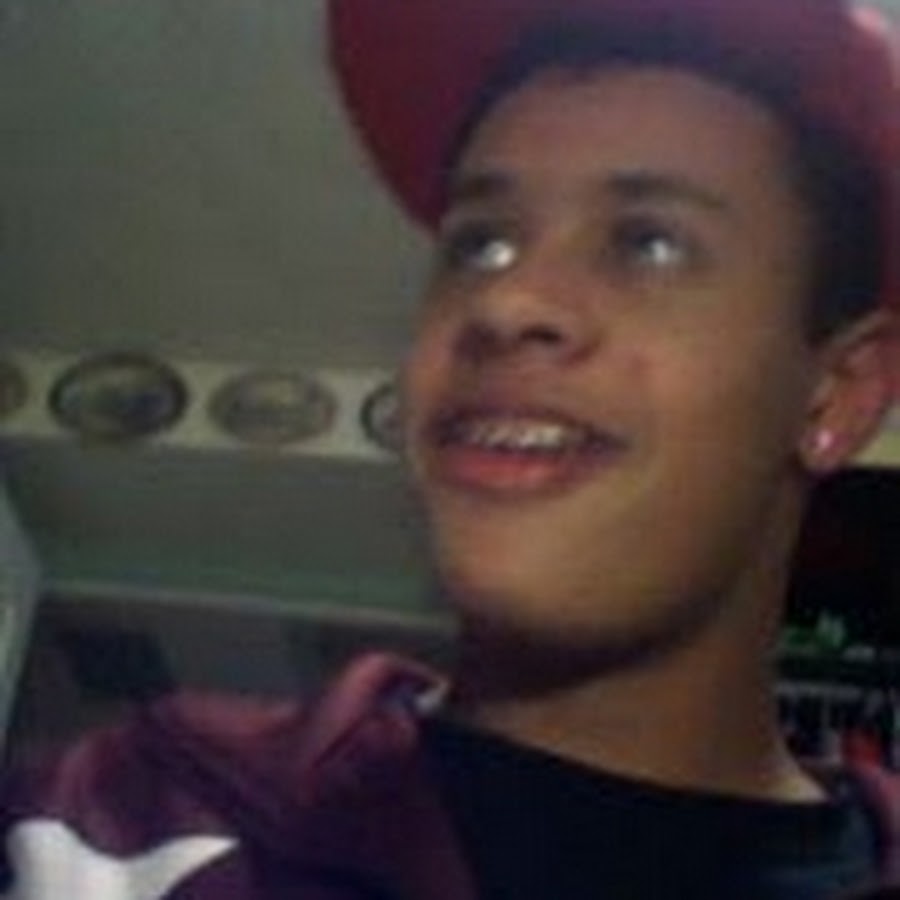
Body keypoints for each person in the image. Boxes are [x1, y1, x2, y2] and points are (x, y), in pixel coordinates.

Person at [2, 0, 900, 896]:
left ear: (839, 392)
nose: (505, 302)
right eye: (481, 244)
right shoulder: (108, 829)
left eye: (649, 244)